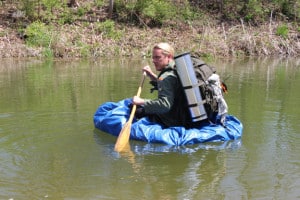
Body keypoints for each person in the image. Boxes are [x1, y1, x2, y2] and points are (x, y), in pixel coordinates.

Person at [132, 42, 193, 128]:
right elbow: (169, 85)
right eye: (153, 57)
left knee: (134, 109)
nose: (153, 61)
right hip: (184, 115)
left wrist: (141, 101)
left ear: (169, 57)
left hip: (173, 120)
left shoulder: (166, 77)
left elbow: (165, 105)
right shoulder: (176, 69)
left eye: (157, 57)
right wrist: (151, 75)